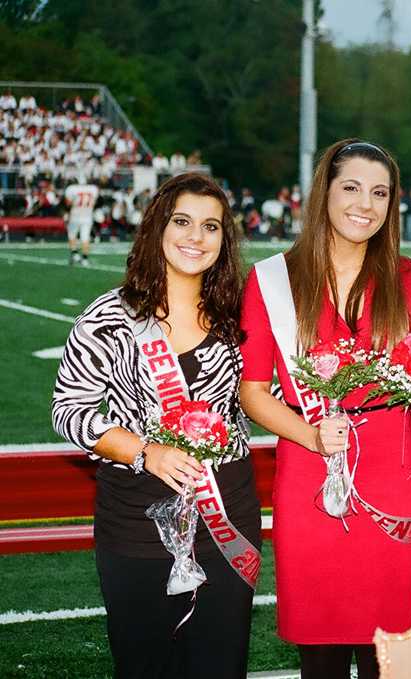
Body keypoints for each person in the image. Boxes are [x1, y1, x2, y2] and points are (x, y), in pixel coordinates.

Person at [52, 173, 260, 678]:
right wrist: (148, 452)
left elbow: (257, 397)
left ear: (224, 241)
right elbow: (70, 409)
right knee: (145, 665)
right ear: (157, 229)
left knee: (220, 665)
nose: (196, 237)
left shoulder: (238, 315)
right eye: (182, 222)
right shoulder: (109, 316)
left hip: (224, 515)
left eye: (211, 226)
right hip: (137, 520)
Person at [239, 139, 411, 679]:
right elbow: (252, 391)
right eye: (351, 187)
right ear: (324, 192)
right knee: (319, 649)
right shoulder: (272, 279)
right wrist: (309, 435)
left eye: (379, 193)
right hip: (310, 477)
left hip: (395, 477)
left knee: (388, 652)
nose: (364, 204)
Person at [64, 174, 99, 265]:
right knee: (85, 237)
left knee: (72, 234)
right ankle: (85, 258)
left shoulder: (72, 189)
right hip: (87, 216)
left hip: (75, 215)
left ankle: (74, 253)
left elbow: (69, 203)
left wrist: (67, 215)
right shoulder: (92, 189)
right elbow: (94, 202)